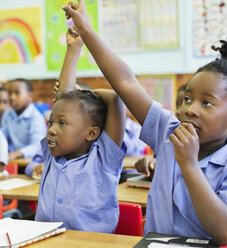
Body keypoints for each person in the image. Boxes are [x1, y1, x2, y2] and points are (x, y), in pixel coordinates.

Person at [62, 1, 227, 244]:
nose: (190, 110)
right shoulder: (168, 131)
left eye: (207, 103)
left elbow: (223, 231)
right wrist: (85, 29)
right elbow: (125, 81)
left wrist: (189, 165)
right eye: (188, 99)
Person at [35, 26, 126, 233]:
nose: (52, 130)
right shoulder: (52, 157)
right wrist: (73, 48)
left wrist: (85, 93)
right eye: (51, 122)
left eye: (62, 124)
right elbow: (63, 101)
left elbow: (115, 100)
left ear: (91, 133)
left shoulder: (103, 159)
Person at [135, 83, 187, 179]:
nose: (179, 111)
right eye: (177, 105)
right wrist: (150, 164)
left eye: (187, 102)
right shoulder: (168, 136)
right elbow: (156, 165)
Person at [1, 78, 47, 160]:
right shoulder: (7, 115)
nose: (12, 97)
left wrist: (18, 153)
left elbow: (37, 146)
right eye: (10, 93)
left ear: (30, 96)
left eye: (17, 93)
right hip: (15, 160)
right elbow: (3, 138)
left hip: (34, 161)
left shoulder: (36, 118)